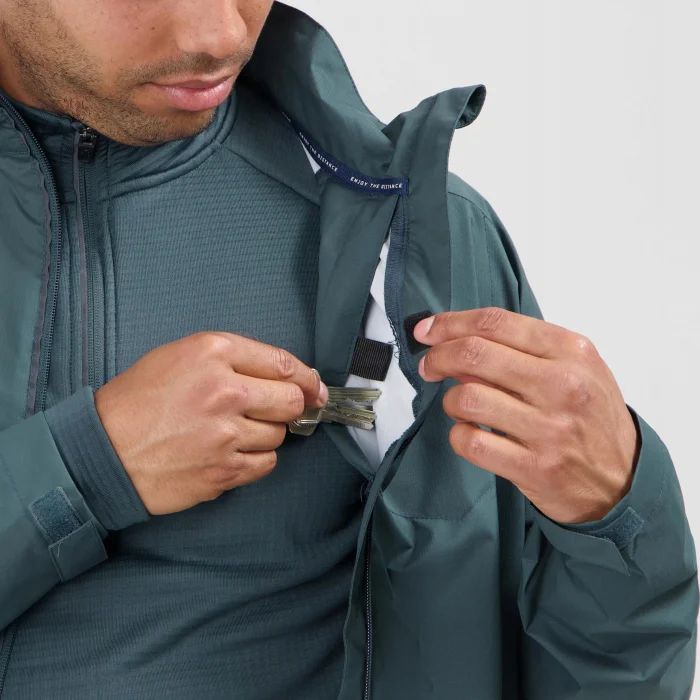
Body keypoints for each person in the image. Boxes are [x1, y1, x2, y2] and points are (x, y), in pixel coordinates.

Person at [0, 1, 696, 698]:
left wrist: (618, 519)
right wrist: (85, 470)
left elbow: (595, 677)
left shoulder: (409, 246)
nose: (221, 35)